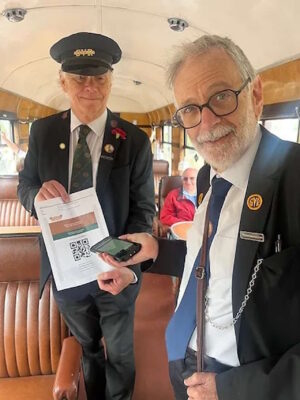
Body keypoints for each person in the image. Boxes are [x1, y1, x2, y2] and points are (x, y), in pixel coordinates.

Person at [98, 34, 300, 400]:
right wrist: (156, 252)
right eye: (189, 109)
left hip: (241, 382)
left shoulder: (295, 178)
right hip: (182, 359)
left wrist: (235, 389)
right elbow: (216, 260)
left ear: (255, 95)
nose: (206, 123)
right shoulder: (209, 174)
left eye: (221, 96)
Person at [18, 32, 155, 400]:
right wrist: (36, 195)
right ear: (63, 82)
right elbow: (25, 185)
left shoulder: (134, 140)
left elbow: (143, 212)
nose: (90, 87)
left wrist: (129, 265)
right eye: (80, 78)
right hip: (66, 271)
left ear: (111, 81)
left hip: (118, 270)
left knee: (121, 353)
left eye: (99, 78)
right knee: (89, 349)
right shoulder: (43, 132)